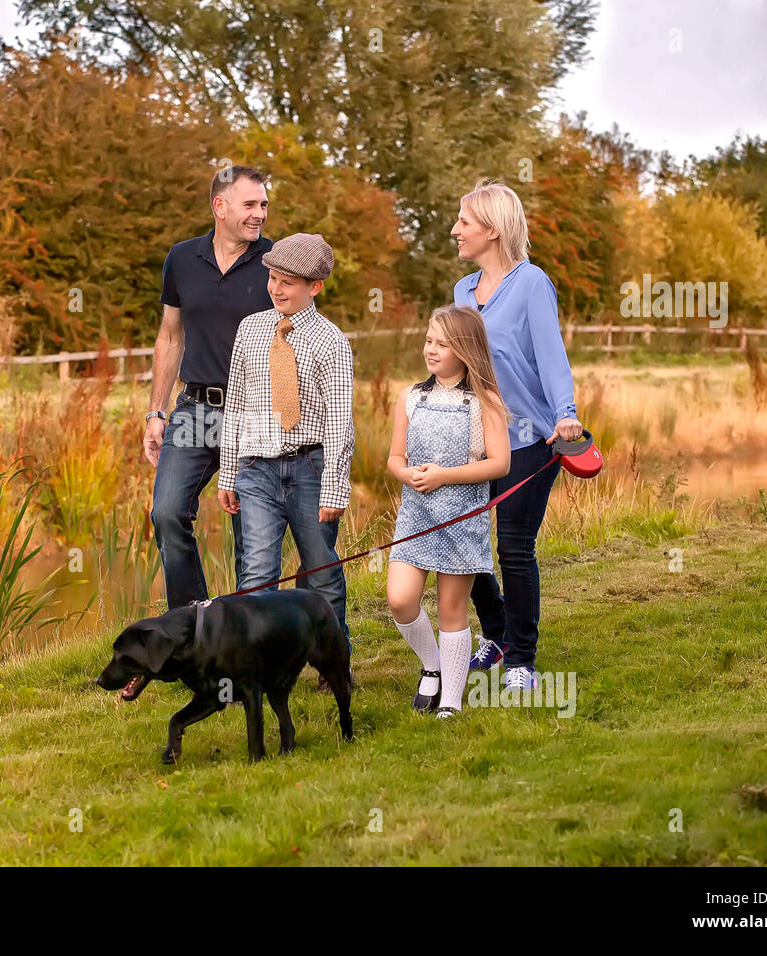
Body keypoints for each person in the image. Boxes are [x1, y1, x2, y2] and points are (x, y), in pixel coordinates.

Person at [450, 179, 582, 690]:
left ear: (492, 229)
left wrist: (565, 414)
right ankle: (499, 633)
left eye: (464, 221)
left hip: (531, 439)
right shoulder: (463, 290)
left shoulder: (532, 284)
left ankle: (522, 660)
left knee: (513, 548)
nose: (455, 230)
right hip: (476, 438)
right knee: (463, 541)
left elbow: (551, 356)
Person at [216, 233, 356, 679]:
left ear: (314, 287)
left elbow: (339, 422)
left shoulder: (331, 341)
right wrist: (227, 473)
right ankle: (254, 669)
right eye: (273, 278)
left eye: (288, 282)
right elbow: (235, 402)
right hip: (256, 470)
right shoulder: (251, 329)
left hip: (309, 468)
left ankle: (334, 665)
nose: (276, 288)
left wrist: (334, 487)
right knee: (256, 572)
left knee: (321, 572)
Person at [145, 166, 273, 611]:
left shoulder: (275, 261)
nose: (260, 214)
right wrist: (156, 412)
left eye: (264, 205)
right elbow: (170, 335)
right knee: (166, 514)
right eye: (250, 205)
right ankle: (194, 622)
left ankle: (250, 635)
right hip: (194, 410)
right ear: (219, 207)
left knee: (250, 533)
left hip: (257, 415)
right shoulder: (181, 258)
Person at [385, 305, 510, 717]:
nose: (431, 350)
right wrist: (409, 475)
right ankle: (433, 667)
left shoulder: (484, 403)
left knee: (452, 610)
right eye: (428, 341)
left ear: (466, 350)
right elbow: (394, 458)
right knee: (400, 598)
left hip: (461, 519)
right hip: (416, 516)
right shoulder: (412, 397)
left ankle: (451, 704)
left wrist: (445, 476)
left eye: (442, 344)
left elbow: (500, 464)